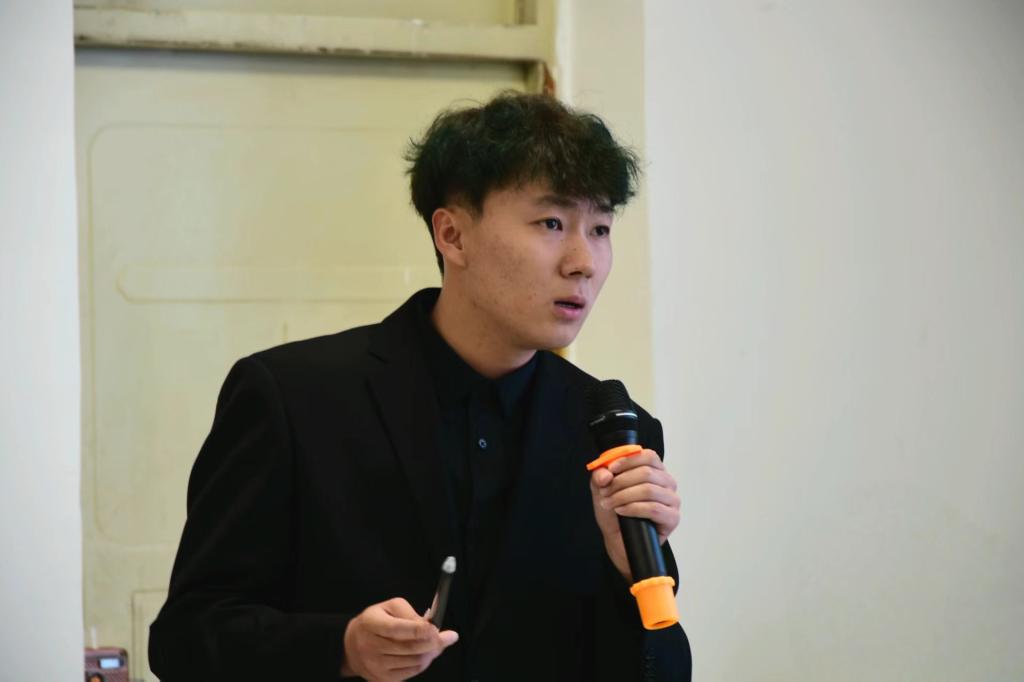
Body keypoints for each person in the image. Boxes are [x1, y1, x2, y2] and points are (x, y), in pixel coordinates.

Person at [149, 92, 691, 681]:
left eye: (601, 227)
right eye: (552, 223)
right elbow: (186, 639)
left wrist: (625, 572)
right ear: (452, 235)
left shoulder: (612, 432)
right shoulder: (292, 398)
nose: (584, 260)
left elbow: (662, 670)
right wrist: (342, 648)